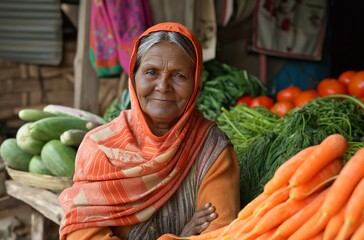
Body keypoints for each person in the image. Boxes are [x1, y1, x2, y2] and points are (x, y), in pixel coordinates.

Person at [58, 22, 240, 240]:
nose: (163, 86)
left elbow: (219, 233)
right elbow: (83, 233)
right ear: (134, 77)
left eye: (179, 75)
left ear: (195, 83)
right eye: (151, 72)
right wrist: (178, 237)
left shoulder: (211, 148)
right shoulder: (100, 147)